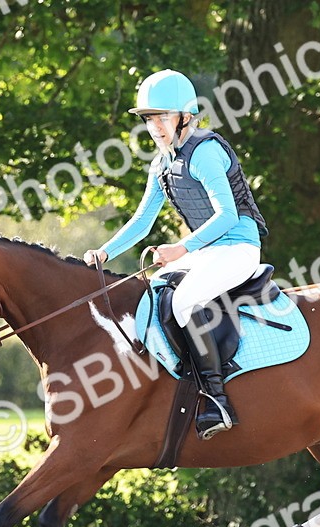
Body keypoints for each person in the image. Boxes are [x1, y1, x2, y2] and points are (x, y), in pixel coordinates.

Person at [84, 69, 269, 441]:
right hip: (209, 251)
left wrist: (181, 247)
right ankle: (176, 381)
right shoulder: (162, 164)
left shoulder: (206, 153)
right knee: (153, 290)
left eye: (162, 117)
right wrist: (105, 252)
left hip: (239, 247)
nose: (155, 126)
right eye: (149, 119)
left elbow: (228, 216)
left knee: (184, 300)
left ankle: (218, 400)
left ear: (185, 116)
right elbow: (141, 220)